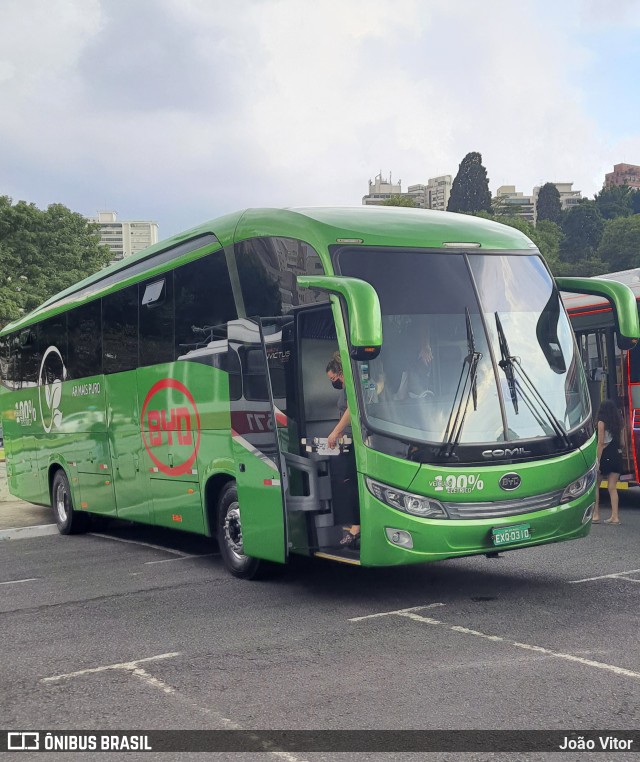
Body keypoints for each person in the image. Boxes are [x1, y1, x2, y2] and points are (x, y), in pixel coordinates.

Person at [325, 352, 360, 548]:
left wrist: (335, 432)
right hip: (351, 439)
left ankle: (356, 528)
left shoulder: (350, 388)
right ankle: (356, 525)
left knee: (351, 482)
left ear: (339, 374)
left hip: (355, 441)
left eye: (332, 378)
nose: (333, 382)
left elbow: (350, 410)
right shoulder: (349, 385)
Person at [592, 399, 623, 525]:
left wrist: (597, 460)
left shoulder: (601, 422)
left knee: (596, 486)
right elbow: (622, 443)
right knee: (612, 487)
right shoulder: (619, 423)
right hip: (616, 454)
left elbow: (600, 442)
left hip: (605, 456)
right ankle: (615, 517)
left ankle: (595, 515)